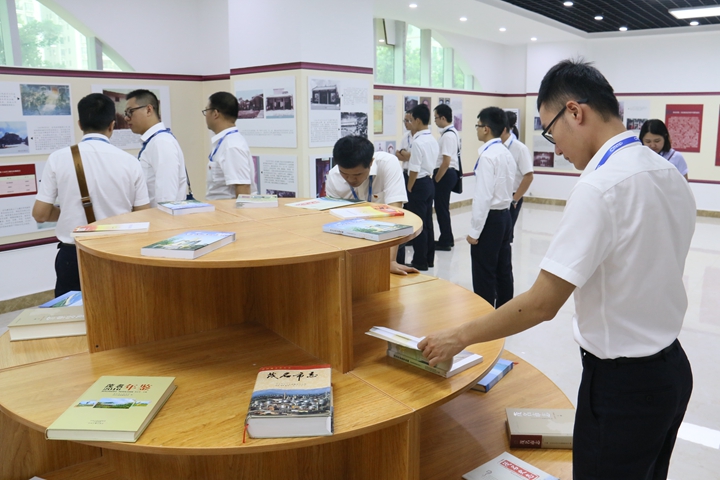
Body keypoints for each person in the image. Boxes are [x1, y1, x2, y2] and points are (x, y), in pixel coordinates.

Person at [419, 60, 696, 480]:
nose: (559, 150)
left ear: (575, 112)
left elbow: (542, 303)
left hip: (624, 388)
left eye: (551, 132)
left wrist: (457, 337)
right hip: (671, 371)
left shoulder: (599, 187)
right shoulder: (668, 172)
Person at [32, 93, 150, 296]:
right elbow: (143, 215)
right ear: (112, 125)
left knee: (72, 313)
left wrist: (69, 211)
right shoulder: (130, 162)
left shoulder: (58, 158)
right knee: (119, 308)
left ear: (80, 124)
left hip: (73, 254)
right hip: (119, 251)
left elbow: (40, 214)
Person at [325, 135, 417, 276]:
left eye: (357, 174)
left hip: (389, 237)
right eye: (345, 174)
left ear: (371, 162)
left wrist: (390, 261)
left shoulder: (387, 163)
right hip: (353, 236)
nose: (351, 179)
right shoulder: (333, 177)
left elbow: (396, 213)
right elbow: (336, 220)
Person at [467, 107, 515, 307]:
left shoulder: (488, 157)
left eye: (478, 126)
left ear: (486, 129)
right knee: (503, 270)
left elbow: (483, 197)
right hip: (505, 217)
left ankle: (484, 314)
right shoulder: (506, 152)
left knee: (484, 272)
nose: (477, 130)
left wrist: (474, 232)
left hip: (490, 220)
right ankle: (505, 313)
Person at [124, 89, 188, 206]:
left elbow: (166, 198)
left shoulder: (161, 142)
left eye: (130, 112)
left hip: (161, 215)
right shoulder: (154, 141)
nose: (126, 118)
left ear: (149, 110)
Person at [203, 92, 255, 199]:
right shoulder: (225, 141)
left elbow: (243, 189)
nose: (205, 115)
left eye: (206, 110)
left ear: (215, 113)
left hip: (226, 209)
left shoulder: (231, 146)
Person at [406, 104, 438, 271]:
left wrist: (409, 187)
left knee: (419, 224)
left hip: (418, 183)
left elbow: (414, 169)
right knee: (428, 223)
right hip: (429, 182)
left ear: (418, 120)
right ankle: (429, 258)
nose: (410, 123)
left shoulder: (418, 142)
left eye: (411, 120)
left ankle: (420, 261)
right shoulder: (432, 139)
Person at [432, 103, 460, 251]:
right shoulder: (451, 133)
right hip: (447, 173)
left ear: (443, 118)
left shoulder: (448, 136)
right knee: (442, 207)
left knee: (441, 208)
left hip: (445, 174)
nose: (435, 121)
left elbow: (446, 162)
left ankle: (446, 240)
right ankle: (447, 237)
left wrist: (436, 179)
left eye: (436, 118)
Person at [501, 111, 534, 234]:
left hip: (512, 196)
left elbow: (529, 176)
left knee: (506, 234)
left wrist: (515, 199)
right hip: (498, 194)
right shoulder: (496, 146)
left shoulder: (520, 148)